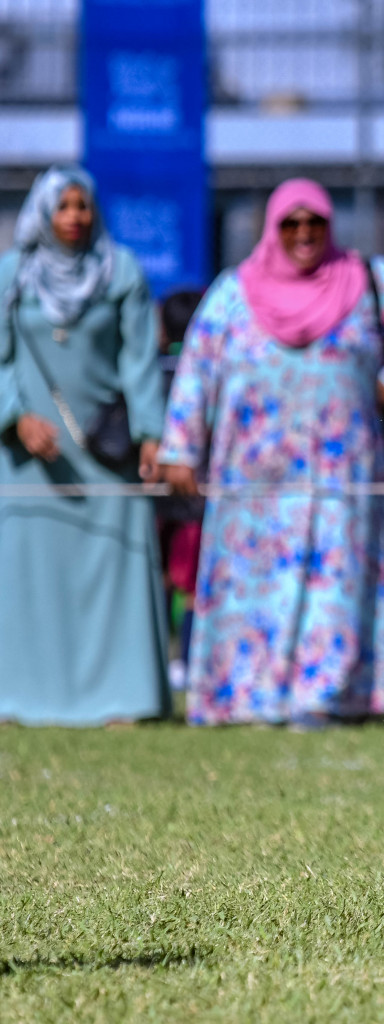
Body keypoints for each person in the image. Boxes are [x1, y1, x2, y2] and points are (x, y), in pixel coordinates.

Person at [159, 178, 384, 729]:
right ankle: (244, 697)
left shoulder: (364, 279)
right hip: (253, 476)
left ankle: (326, 696)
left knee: (334, 583)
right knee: (251, 587)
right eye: (290, 224)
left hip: (340, 470)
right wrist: (180, 447)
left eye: (314, 223)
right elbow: (196, 368)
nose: (303, 235)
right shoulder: (233, 291)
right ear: (272, 228)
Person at [0, 166, 170, 727]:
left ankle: (123, 697)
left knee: (114, 565)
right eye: (63, 206)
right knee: (29, 574)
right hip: (28, 458)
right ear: (42, 214)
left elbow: (139, 359)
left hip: (105, 453)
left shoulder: (120, 271)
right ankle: (18, 695)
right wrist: (15, 417)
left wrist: (150, 433)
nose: (75, 217)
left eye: (83, 205)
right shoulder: (12, 276)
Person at [156, 287, 206, 691]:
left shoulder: (153, 368)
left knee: (160, 581)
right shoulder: (199, 373)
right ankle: (187, 661)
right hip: (194, 497)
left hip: (156, 495)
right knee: (192, 588)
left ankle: (157, 660)